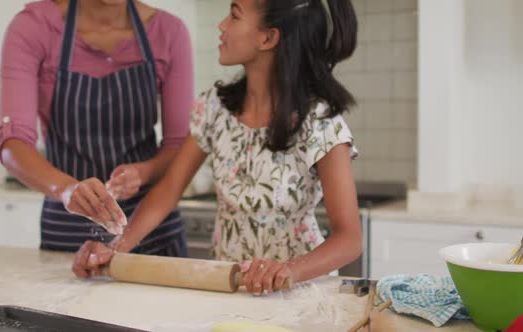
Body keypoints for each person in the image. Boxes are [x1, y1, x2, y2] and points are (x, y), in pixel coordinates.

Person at [73, 0, 362, 296]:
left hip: (298, 292)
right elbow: (168, 190)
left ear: (268, 38)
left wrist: (287, 270)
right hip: (229, 287)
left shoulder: (320, 121)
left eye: (234, 16)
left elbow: (349, 238)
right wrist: (115, 250)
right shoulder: (214, 107)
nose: (222, 25)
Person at [0, 0, 193, 256]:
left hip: (153, 235)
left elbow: (180, 145)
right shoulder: (34, 28)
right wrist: (67, 190)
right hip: (67, 237)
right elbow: (13, 144)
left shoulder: (169, 32)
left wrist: (143, 173)